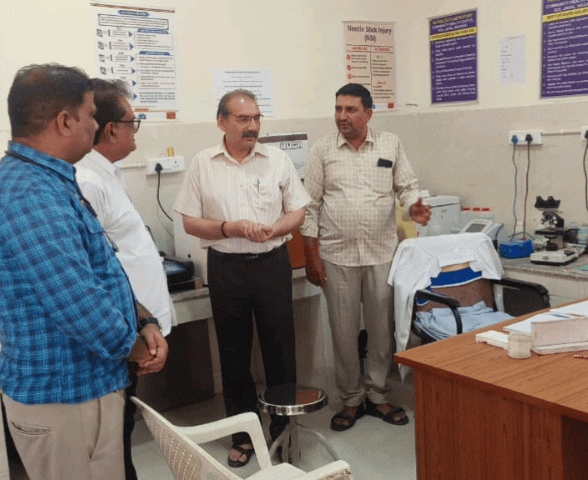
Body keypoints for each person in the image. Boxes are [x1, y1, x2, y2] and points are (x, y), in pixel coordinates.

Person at [0, 64, 167, 480]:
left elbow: (100, 271)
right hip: (65, 398)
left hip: (85, 389)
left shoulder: (52, 181)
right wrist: (135, 348)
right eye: (91, 115)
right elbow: (76, 299)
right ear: (64, 121)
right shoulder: (30, 194)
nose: (96, 126)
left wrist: (144, 320)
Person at [173, 89, 310, 468]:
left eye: (256, 119)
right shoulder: (203, 164)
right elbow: (189, 221)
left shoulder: (276, 159)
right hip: (226, 267)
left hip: (272, 264)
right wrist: (228, 228)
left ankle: (282, 431)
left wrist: (275, 228)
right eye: (243, 119)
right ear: (222, 122)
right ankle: (243, 436)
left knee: (280, 350)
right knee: (233, 355)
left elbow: (298, 210)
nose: (252, 126)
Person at [300, 83, 431, 432]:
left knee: (380, 331)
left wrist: (413, 207)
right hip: (337, 255)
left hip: (381, 253)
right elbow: (309, 206)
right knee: (343, 333)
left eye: (350, 109)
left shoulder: (390, 144)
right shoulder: (323, 150)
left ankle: (378, 394)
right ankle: (351, 399)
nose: (342, 116)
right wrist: (311, 255)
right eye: (338, 109)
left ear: (369, 113)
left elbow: (406, 187)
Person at [75, 78, 174, 480]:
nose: (136, 130)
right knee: (113, 440)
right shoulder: (88, 180)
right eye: (134, 122)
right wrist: (131, 333)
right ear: (113, 129)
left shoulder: (108, 173)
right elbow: (93, 270)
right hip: (120, 332)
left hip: (136, 323)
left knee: (122, 431)